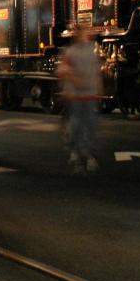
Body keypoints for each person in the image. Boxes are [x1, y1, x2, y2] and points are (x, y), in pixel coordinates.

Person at [57, 26, 102, 174]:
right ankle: (79, 154)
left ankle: (84, 155)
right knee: (79, 126)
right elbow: (63, 71)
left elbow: (96, 72)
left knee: (88, 126)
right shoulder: (72, 52)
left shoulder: (91, 52)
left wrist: (97, 88)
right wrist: (77, 82)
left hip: (87, 95)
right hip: (77, 95)